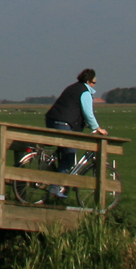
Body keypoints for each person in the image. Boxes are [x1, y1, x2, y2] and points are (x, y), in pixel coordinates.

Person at [43, 68, 106, 196]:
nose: (94, 85)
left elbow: (74, 109)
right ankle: (55, 189)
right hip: (63, 123)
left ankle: (60, 186)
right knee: (70, 155)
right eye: (94, 82)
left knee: (64, 152)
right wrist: (97, 128)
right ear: (89, 81)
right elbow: (88, 113)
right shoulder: (85, 92)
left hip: (52, 120)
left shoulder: (73, 88)